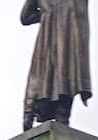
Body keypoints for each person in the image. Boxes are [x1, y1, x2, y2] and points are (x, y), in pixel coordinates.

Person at [21, 0, 92, 131]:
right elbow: (25, 18)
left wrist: (47, 14)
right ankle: (56, 118)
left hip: (52, 38)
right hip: (69, 38)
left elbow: (26, 17)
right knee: (68, 77)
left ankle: (31, 113)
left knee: (47, 76)